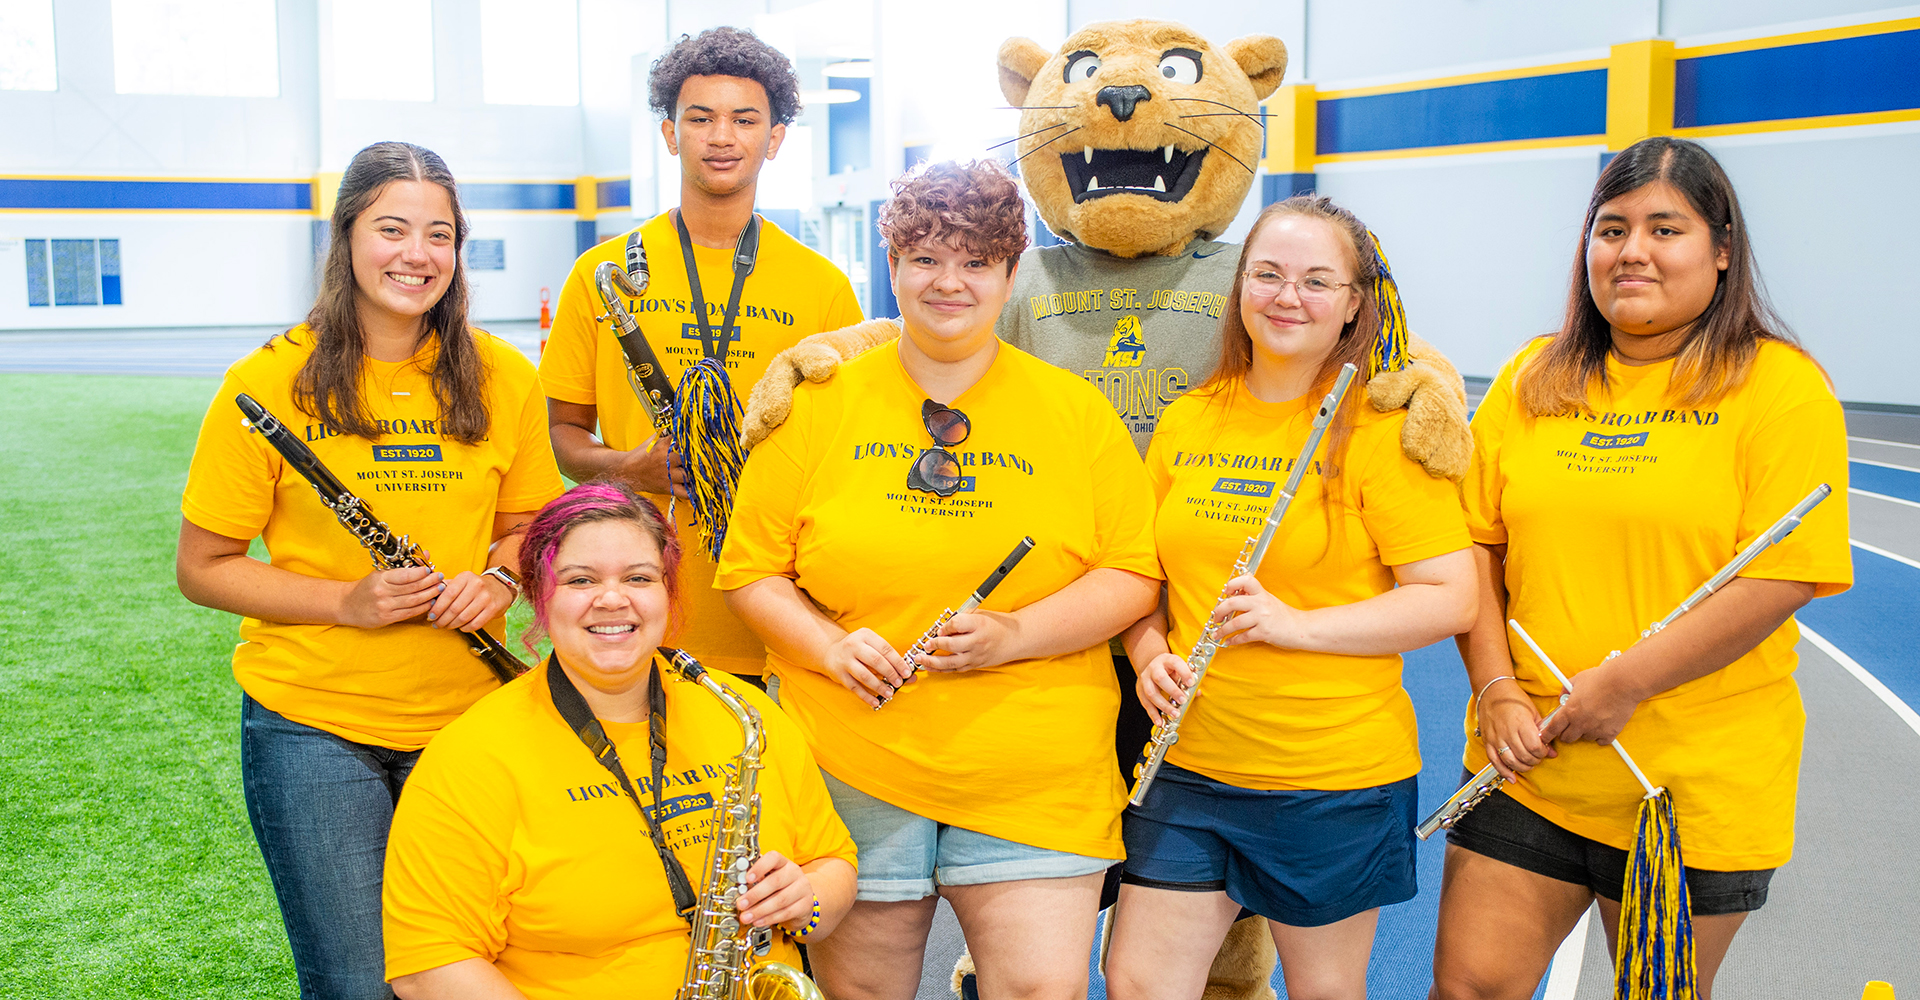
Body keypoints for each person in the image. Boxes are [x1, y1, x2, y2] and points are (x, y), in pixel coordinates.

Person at [716, 159, 1162, 1000]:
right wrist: (827, 646)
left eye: (974, 261)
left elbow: (1132, 573)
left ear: (1010, 270)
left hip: (1033, 760)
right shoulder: (816, 405)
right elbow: (750, 572)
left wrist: (1015, 635)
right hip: (852, 753)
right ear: (891, 266)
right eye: (924, 258)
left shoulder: (1076, 414)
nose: (947, 281)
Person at [1429, 137, 1852, 1000]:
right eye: (1611, 228)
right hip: (1530, 769)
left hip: (1687, 790)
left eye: (1667, 228)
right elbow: (1477, 545)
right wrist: (1496, 690)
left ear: (1722, 249)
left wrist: (1626, 683)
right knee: (1467, 990)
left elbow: (1784, 574)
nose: (1633, 251)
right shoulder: (1531, 377)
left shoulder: (1778, 388)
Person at [175, 141, 565, 1000]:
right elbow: (202, 568)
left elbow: (531, 527)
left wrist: (499, 581)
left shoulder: (504, 376)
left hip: (470, 720)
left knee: (470, 967)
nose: (416, 255)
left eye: (440, 234)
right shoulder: (269, 380)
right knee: (355, 983)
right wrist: (346, 601)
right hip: (313, 725)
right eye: (392, 229)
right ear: (346, 235)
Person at [1101, 196, 1477, 1000]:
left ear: (1352, 305)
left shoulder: (1381, 433)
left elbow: (1450, 598)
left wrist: (1295, 626)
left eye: (1316, 280)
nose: (1286, 296)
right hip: (1190, 765)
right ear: (1241, 286)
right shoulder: (1192, 418)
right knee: (1136, 980)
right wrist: (1147, 652)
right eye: (1267, 274)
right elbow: (1141, 573)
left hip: (1329, 777)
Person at [381, 482, 857, 999]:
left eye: (639, 577)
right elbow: (429, 965)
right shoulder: (469, 757)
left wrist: (805, 901)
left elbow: (833, 862)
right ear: (542, 596)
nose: (613, 598)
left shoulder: (743, 715)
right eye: (581, 579)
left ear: (667, 592)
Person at [541, 25, 864, 687]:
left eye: (746, 120)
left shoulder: (822, 286)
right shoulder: (598, 272)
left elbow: (844, 454)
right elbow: (565, 437)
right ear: (671, 134)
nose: (723, 137)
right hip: (632, 605)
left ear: (774, 139)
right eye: (701, 118)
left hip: (774, 605)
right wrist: (630, 466)